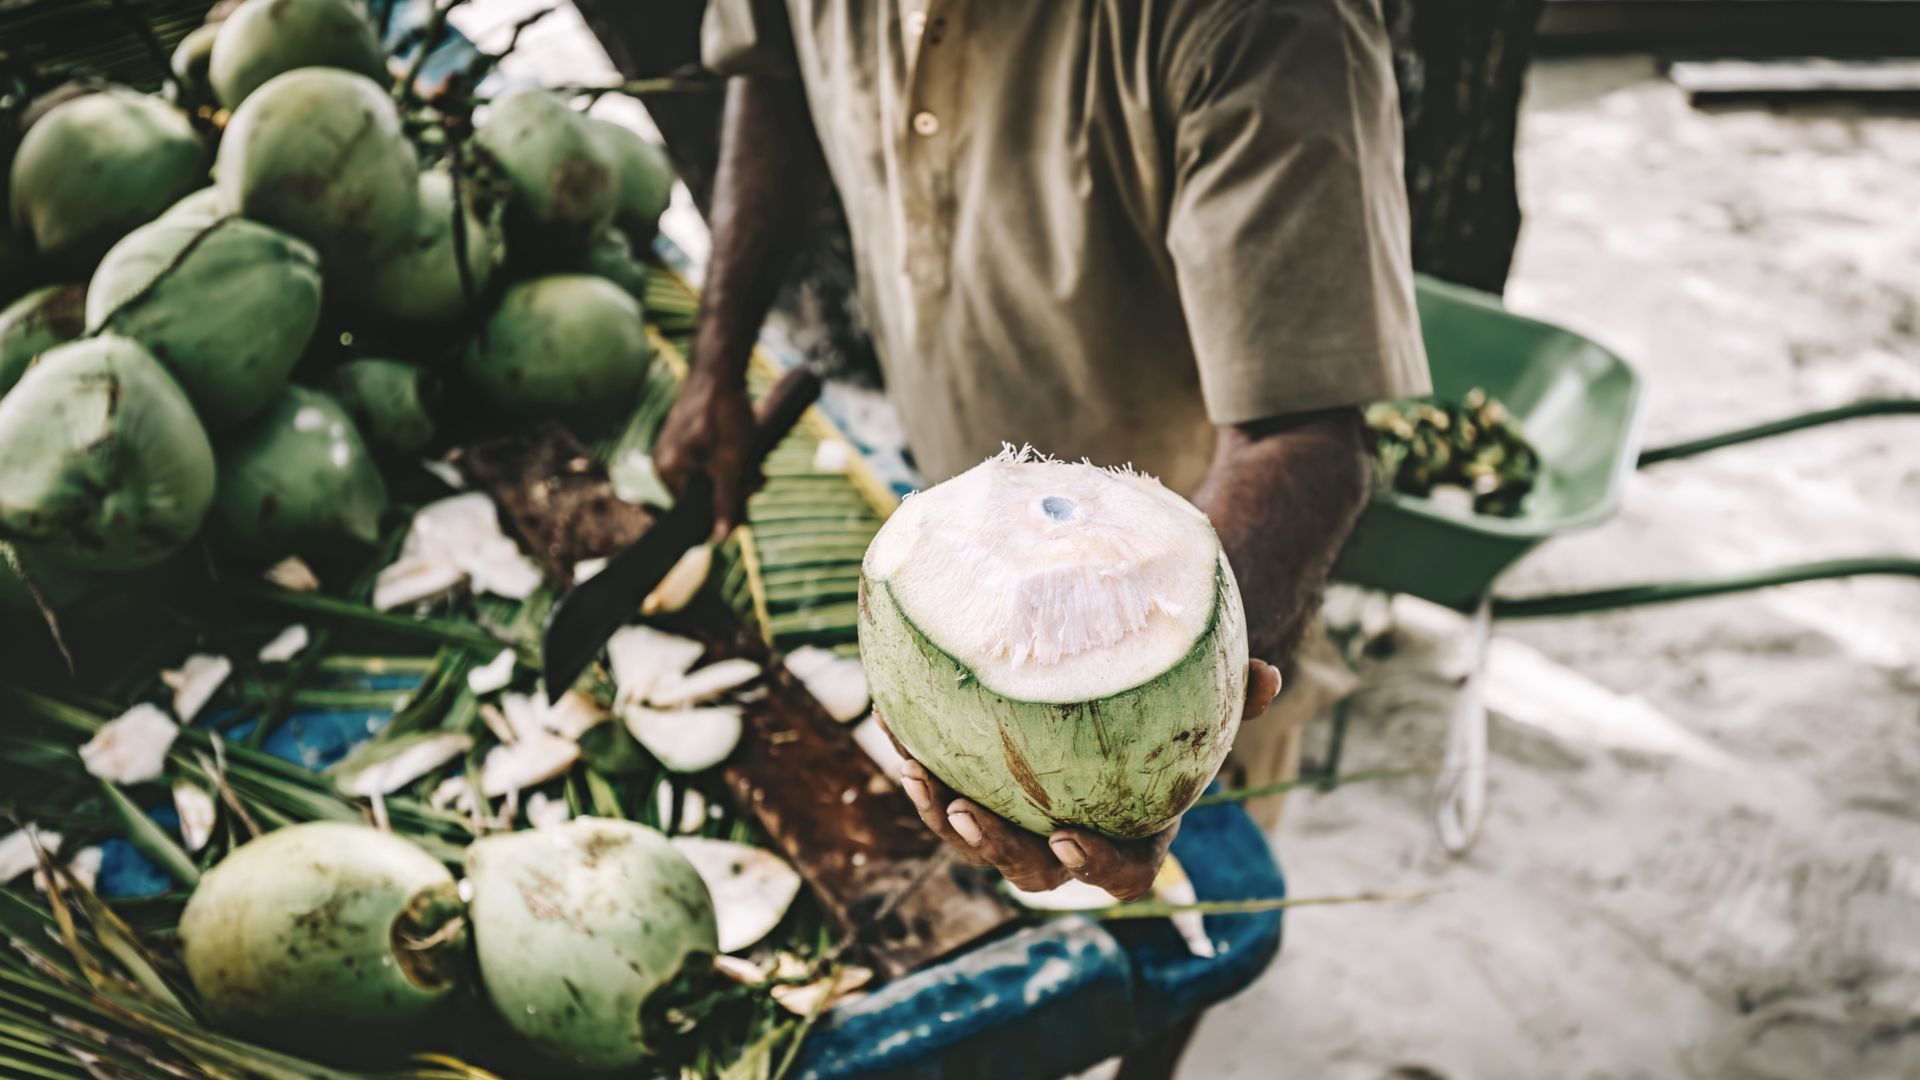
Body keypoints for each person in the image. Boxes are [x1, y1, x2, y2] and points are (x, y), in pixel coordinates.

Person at [654, 0, 1426, 956]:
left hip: (1217, 587)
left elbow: (1304, 433)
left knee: (1185, 936)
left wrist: (1178, 711)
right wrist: (717, 360)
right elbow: (772, 71)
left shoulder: (1266, 23)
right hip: (958, 515)